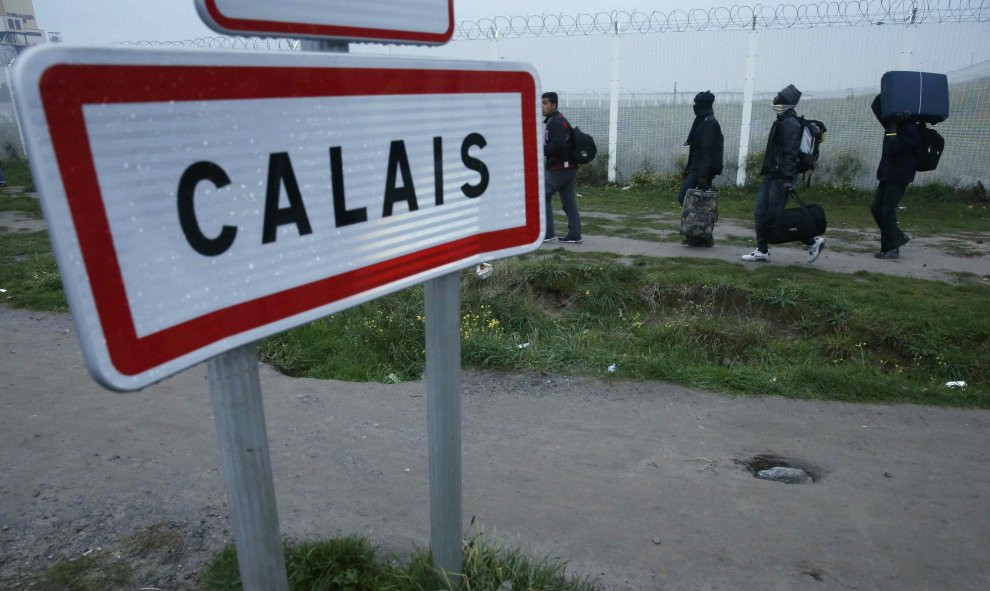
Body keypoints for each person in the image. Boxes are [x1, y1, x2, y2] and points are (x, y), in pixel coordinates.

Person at [741, 84, 825, 264]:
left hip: (781, 177)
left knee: (774, 216)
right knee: (760, 212)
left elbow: (790, 153)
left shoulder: (790, 124)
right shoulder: (783, 120)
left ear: (787, 103)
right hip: (774, 174)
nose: (775, 99)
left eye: (779, 97)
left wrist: (787, 178)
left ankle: (812, 241)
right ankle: (762, 250)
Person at [869, 94, 917, 259]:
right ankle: (897, 236)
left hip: (899, 175)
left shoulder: (910, 128)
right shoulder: (892, 123)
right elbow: (876, 105)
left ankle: (891, 248)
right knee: (876, 208)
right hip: (887, 174)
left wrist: (893, 128)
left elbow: (894, 148)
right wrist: (890, 90)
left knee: (888, 210)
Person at [541, 92, 582, 244]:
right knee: (569, 201)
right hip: (568, 167)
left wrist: (540, 150)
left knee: (542, 195)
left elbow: (557, 144)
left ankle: (547, 232)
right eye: (541, 103)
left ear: (554, 105)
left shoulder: (556, 122)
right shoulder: (557, 119)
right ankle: (575, 234)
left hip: (560, 168)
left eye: (545, 103)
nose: (542, 106)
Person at [677, 90, 724, 206]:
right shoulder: (701, 120)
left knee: (683, 196)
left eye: (697, 104)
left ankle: (701, 217)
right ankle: (700, 219)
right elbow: (694, 148)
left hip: (702, 168)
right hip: (697, 167)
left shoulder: (709, 123)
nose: (695, 106)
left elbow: (706, 150)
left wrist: (703, 176)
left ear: (704, 105)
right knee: (696, 197)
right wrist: (688, 168)